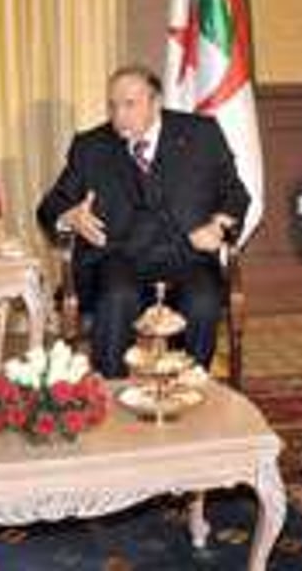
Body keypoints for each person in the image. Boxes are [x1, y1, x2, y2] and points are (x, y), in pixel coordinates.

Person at [37, 64, 250, 377]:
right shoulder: (91, 146)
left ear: (156, 102)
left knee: (203, 301)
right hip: (118, 256)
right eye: (113, 105)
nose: (119, 115)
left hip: (186, 255)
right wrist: (71, 216)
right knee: (117, 296)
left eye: (129, 104)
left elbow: (235, 193)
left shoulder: (201, 134)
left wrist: (218, 224)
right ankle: (110, 389)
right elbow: (50, 205)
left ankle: (192, 385)